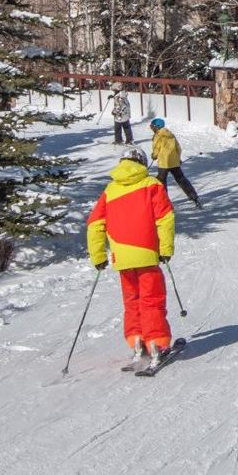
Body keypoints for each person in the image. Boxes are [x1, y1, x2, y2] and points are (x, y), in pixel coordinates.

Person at [86, 147, 175, 370]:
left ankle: (137, 342)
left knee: (132, 301)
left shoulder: (110, 190)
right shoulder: (151, 185)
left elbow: (95, 225)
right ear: (142, 163)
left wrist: (98, 255)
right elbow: (165, 218)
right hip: (146, 254)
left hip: (122, 257)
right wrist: (166, 248)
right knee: (151, 299)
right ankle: (156, 344)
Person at [151, 117, 201, 207]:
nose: (152, 129)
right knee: (181, 179)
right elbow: (178, 148)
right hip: (174, 162)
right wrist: (178, 158)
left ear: (157, 127)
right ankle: (193, 196)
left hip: (164, 163)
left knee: (162, 181)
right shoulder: (171, 135)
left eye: (153, 127)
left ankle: (164, 201)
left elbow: (156, 148)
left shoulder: (159, 136)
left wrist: (154, 155)